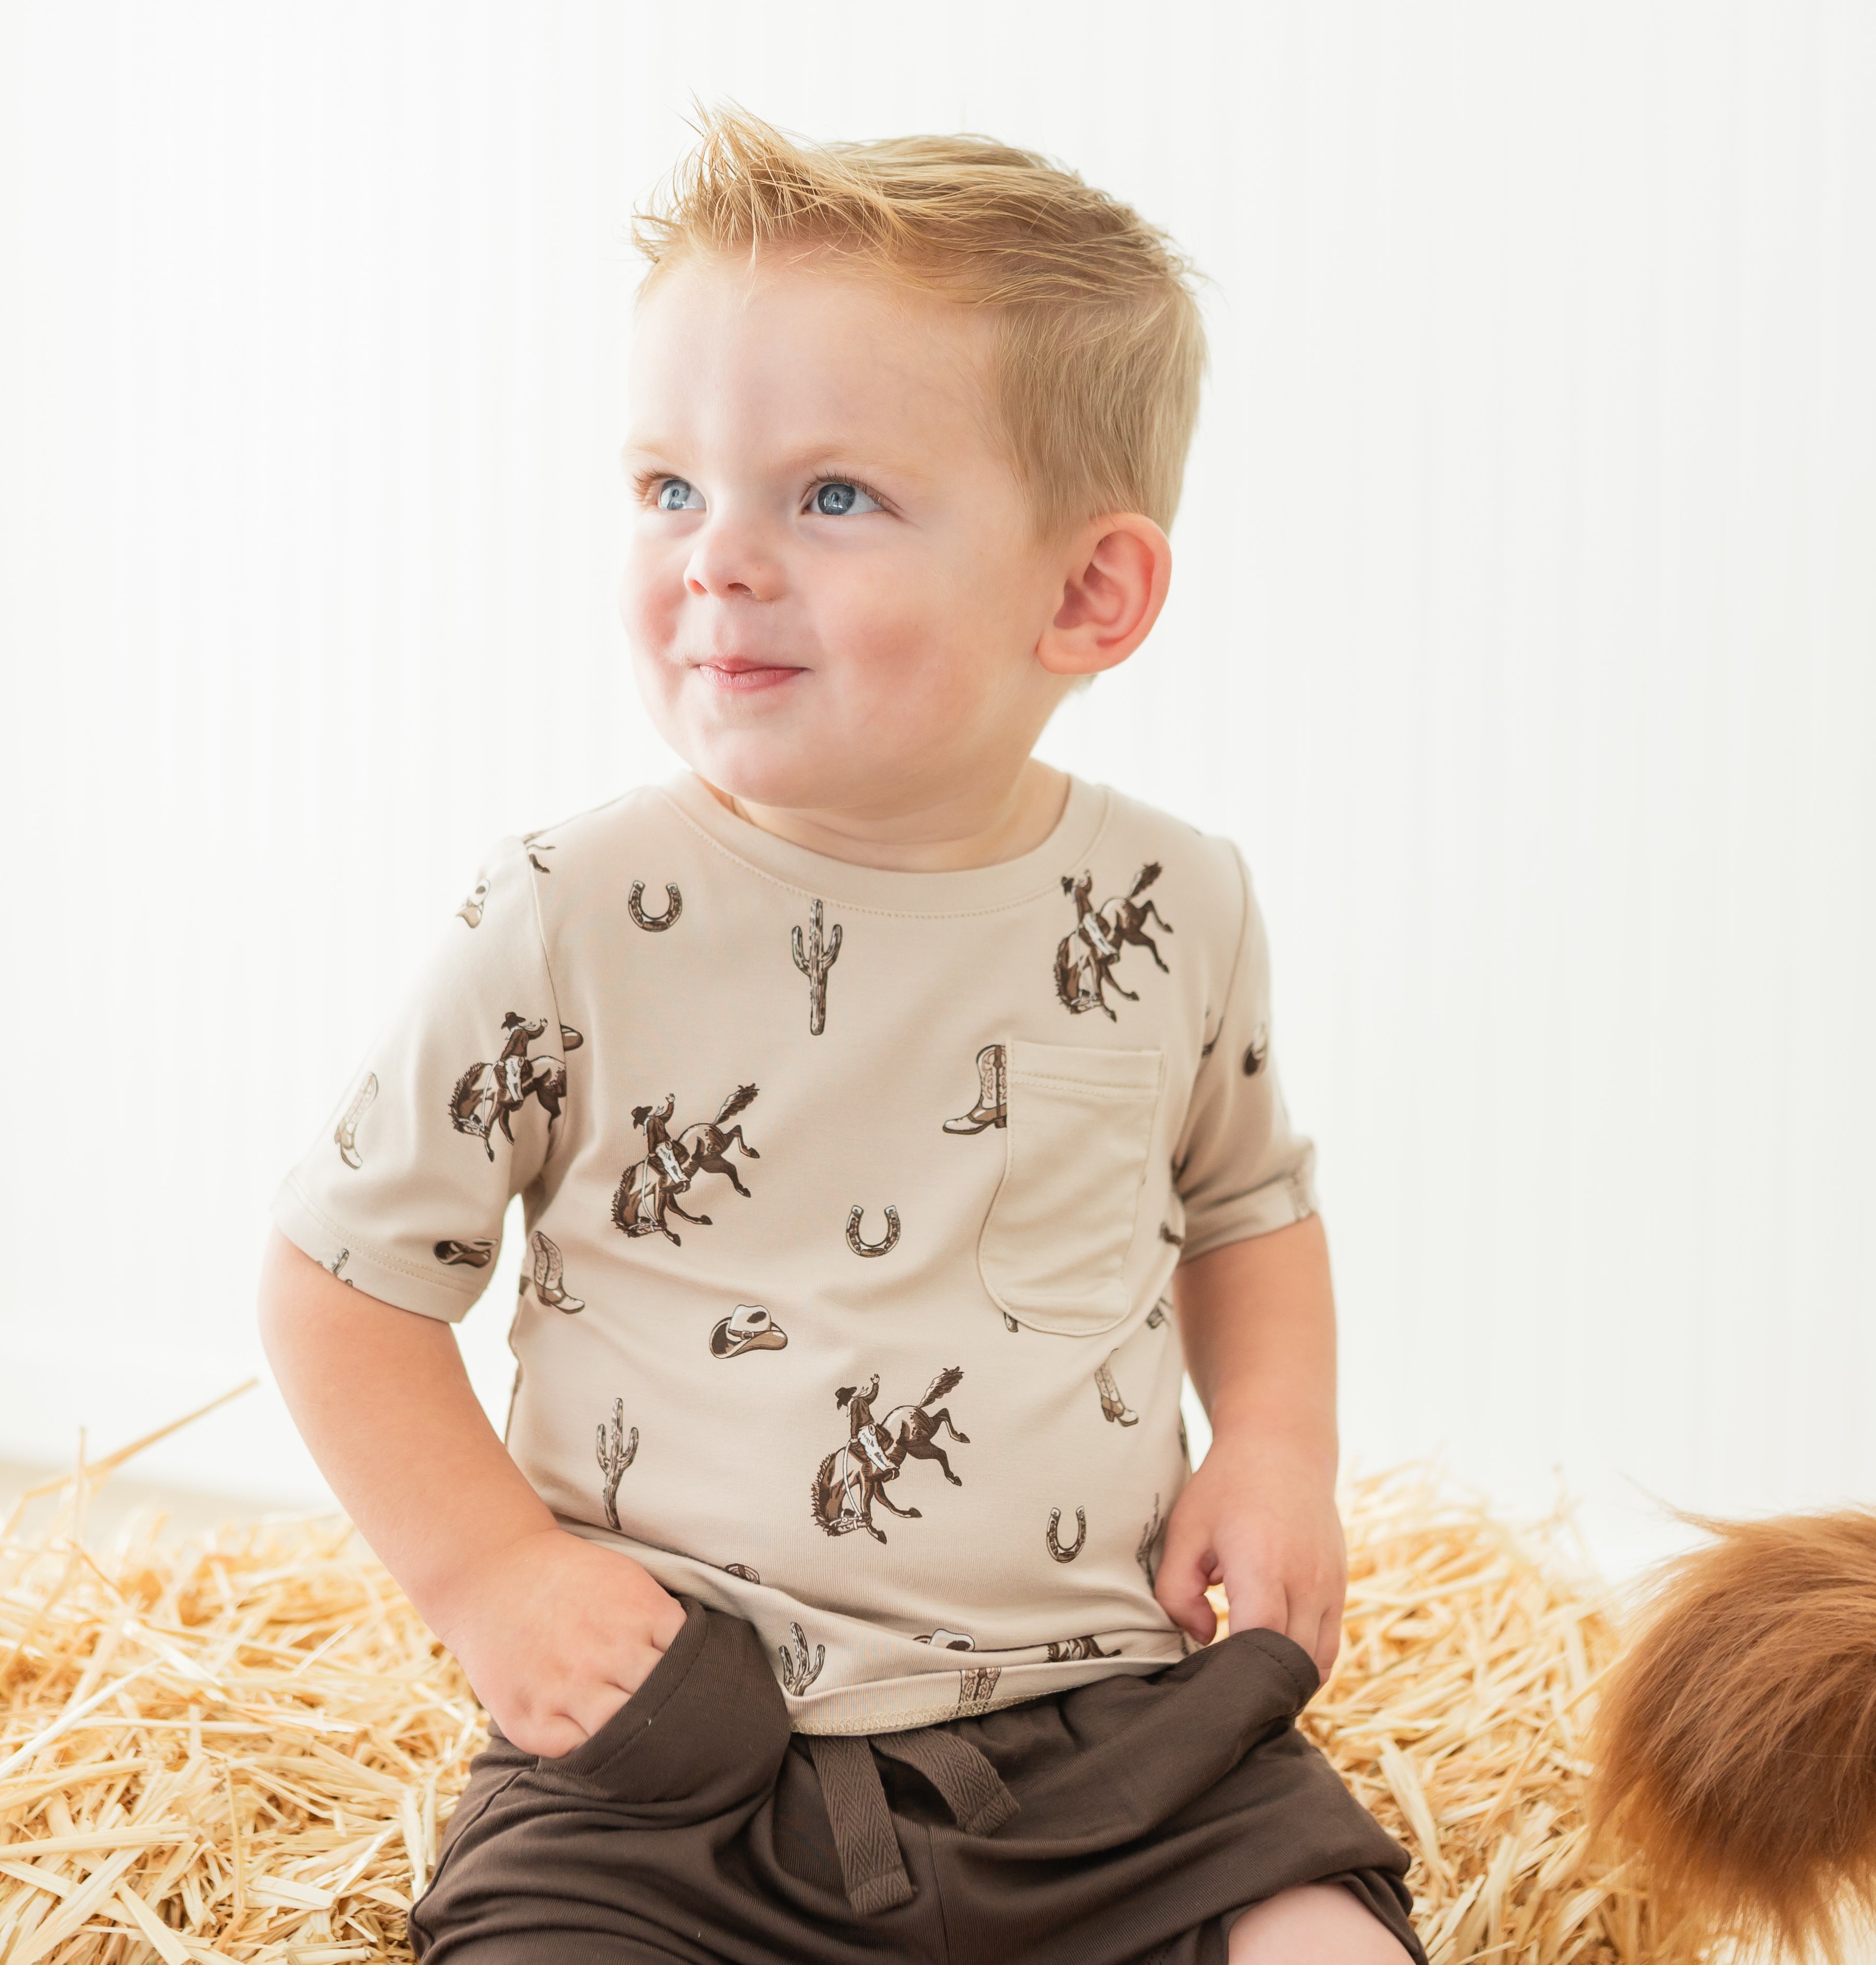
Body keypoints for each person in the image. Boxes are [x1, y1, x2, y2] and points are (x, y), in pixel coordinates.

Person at [258, 108, 1424, 1964]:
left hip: (1110, 1733)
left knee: (1324, 1940)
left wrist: (1275, 1441)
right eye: (668, 490)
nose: (716, 559)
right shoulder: (566, 914)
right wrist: (496, 1579)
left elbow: (1246, 1203)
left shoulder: (1174, 904)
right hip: (676, 1763)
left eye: (830, 496)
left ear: (1087, 593)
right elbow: (344, 1283)